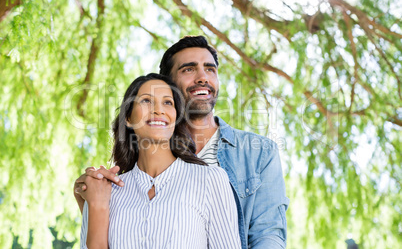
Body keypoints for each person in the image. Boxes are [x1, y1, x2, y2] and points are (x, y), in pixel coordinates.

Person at [74, 36, 289, 249]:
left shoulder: (256, 154)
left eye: (210, 69)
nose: (202, 77)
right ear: (168, 82)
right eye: (188, 69)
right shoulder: (124, 181)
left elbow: (268, 235)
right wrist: (91, 203)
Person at [77, 73, 241, 248]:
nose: (159, 110)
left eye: (168, 102)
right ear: (128, 118)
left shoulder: (210, 180)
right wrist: (97, 206)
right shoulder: (102, 192)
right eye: (146, 100)